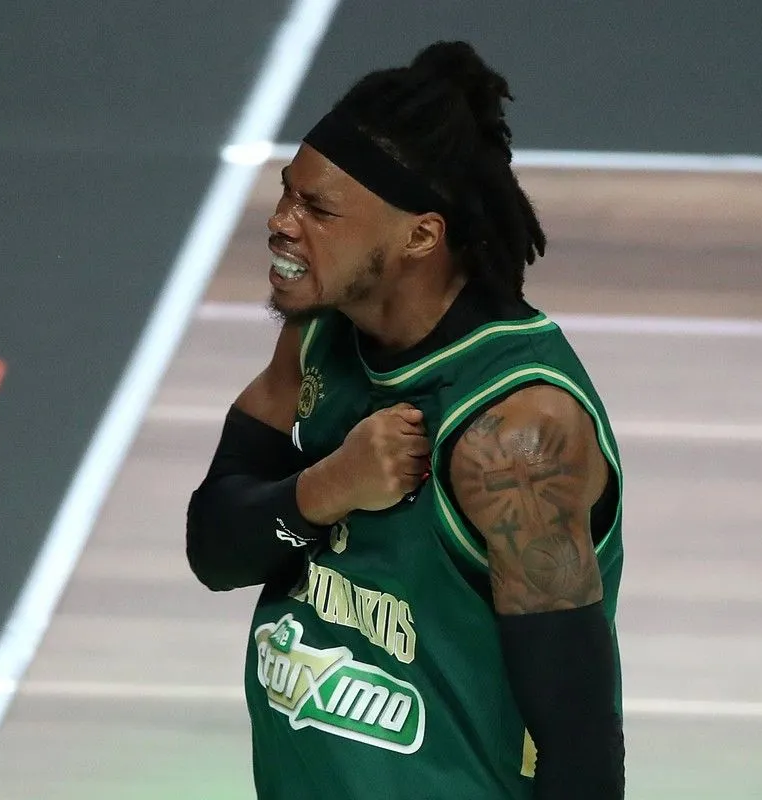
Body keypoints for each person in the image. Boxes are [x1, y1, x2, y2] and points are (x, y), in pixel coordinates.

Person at [187, 40, 625, 799]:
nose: (281, 223)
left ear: (420, 236)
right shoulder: (317, 336)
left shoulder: (515, 436)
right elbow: (215, 550)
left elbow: (579, 742)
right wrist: (328, 487)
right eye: (287, 194)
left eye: (319, 209)